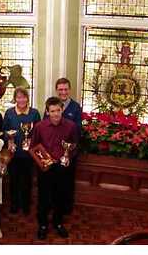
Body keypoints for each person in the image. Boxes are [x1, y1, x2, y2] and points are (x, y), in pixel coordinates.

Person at [30, 96, 78, 240]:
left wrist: (68, 157)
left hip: (62, 168)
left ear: (62, 110)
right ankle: (43, 224)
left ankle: (57, 222)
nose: (56, 114)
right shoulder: (40, 126)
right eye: (52, 111)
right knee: (44, 198)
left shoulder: (71, 126)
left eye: (58, 110)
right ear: (47, 112)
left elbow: (75, 146)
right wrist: (43, 162)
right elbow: (33, 146)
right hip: (45, 168)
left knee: (60, 197)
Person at [3, 87, 41, 215]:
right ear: (15, 99)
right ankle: (14, 204)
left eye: (24, 97)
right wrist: (9, 140)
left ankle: (25, 205)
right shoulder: (9, 113)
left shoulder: (34, 113)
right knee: (13, 180)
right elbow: (4, 131)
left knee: (27, 180)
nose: (21, 99)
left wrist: (32, 142)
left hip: (28, 154)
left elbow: (38, 131)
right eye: (18, 97)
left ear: (27, 98)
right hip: (13, 153)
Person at [55, 77, 82, 213]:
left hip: (68, 153)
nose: (63, 92)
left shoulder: (76, 107)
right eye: (60, 89)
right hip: (53, 152)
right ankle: (54, 206)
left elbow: (77, 130)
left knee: (68, 182)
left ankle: (66, 208)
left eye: (65, 89)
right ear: (56, 90)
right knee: (54, 181)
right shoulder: (52, 105)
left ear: (69, 90)